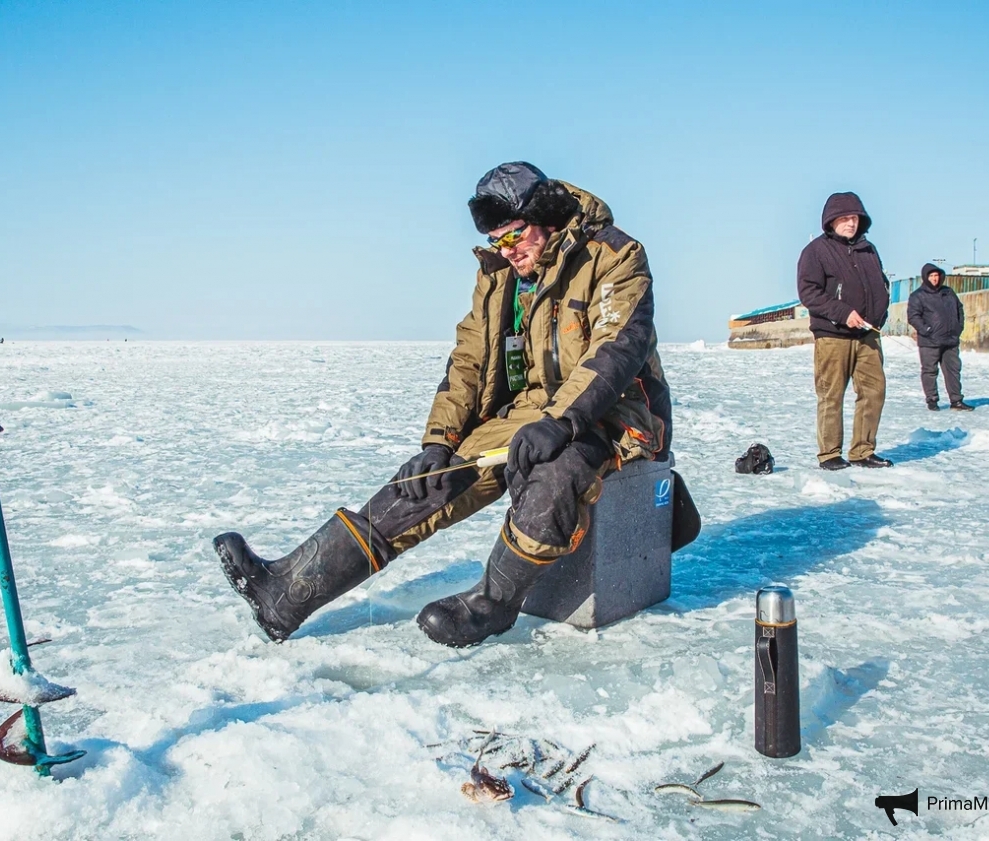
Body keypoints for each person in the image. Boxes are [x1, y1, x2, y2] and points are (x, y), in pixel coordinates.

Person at [214, 161, 677, 647]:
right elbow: (470, 360)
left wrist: (561, 421)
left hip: (614, 413)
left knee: (557, 470)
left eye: (514, 235)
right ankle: (286, 592)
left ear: (545, 215)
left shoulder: (614, 255)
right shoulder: (500, 275)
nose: (507, 249)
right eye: (497, 241)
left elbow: (618, 350)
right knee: (426, 481)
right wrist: (440, 440)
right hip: (534, 410)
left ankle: (493, 604)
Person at [797, 192, 893, 470]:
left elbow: (881, 285)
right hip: (832, 335)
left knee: (874, 391)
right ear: (831, 221)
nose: (850, 223)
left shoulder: (869, 250)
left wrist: (879, 314)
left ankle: (863, 450)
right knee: (831, 394)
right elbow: (809, 293)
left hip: (868, 335)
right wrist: (843, 313)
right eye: (844, 218)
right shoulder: (815, 251)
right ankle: (829, 454)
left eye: (855, 218)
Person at [907, 263, 972, 411]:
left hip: (950, 340)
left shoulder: (948, 292)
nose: (935, 279)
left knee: (953, 371)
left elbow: (959, 309)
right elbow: (913, 316)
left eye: (936, 276)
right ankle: (932, 400)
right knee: (930, 371)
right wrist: (926, 330)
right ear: (925, 277)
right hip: (929, 341)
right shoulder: (918, 296)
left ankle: (956, 401)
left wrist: (958, 327)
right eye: (931, 276)